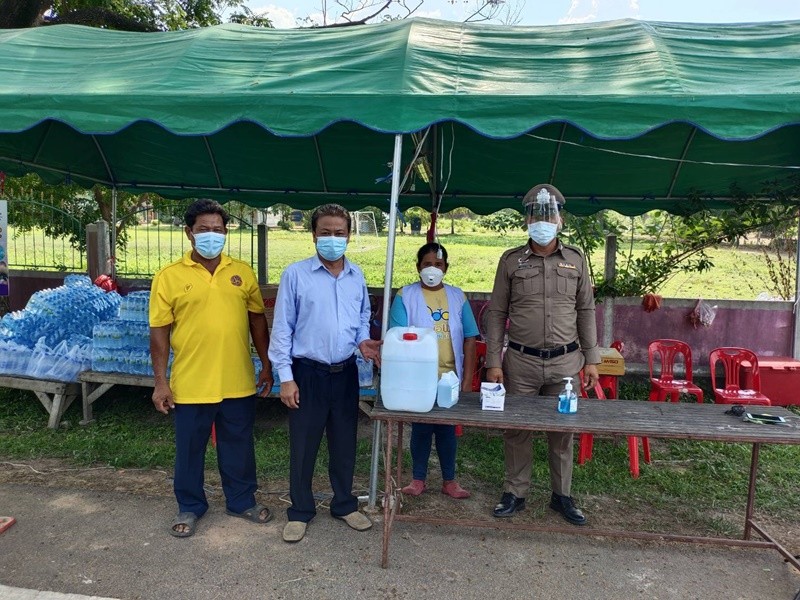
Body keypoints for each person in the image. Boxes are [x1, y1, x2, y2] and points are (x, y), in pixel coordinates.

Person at [149, 199, 273, 538]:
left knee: (239, 446)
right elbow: (159, 332)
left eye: (217, 229)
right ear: (189, 233)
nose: (211, 235)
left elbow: (257, 321)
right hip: (191, 383)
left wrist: (266, 365)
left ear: (226, 232)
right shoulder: (169, 277)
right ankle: (190, 506)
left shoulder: (241, 272)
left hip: (237, 380)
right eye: (203, 229)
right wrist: (160, 382)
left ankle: (241, 500)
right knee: (190, 449)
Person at [484, 184, 600, 526]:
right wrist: (493, 362)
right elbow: (497, 313)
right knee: (517, 430)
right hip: (521, 362)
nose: (543, 223)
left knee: (563, 431)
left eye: (549, 216)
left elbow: (586, 310)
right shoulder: (511, 261)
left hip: (566, 362)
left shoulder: (575, 260)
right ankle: (515, 492)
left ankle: (562, 495)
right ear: (527, 221)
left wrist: (592, 359)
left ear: (560, 220)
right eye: (536, 216)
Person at [269, 203, 382, 543]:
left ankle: (344, 504)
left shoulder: (356, 276)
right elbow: (282, 329)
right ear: (313, 236)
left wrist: (363, 341)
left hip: (345, 372)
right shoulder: (295, 275)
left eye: (339, 233)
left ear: (349, 236)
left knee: (344, 442)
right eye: (326, 233)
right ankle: (300, 510)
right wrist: (286, 377)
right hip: (307, 373)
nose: (333, 239)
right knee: (304, 445)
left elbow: (361, 318)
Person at [389, 242, 478, 499]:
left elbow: (470, 337)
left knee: (446, 429)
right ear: (418, 267)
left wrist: (467, 380)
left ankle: (449, 481)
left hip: (449, 377)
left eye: (438, 264)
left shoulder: (458, 296)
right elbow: (396, 335)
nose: (432, 269)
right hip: (418, 377)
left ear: (446, 268)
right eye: (427, 264)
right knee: (421, 428)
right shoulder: (405, 295)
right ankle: (418, 479)